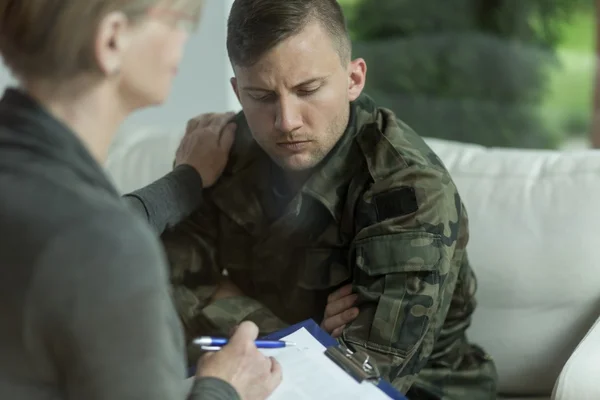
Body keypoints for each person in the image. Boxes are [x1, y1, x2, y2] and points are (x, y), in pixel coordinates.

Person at [154, 0, 499, 399]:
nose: (286, 121)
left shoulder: (408, 193)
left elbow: (356, 386)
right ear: (237, 91)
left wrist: (231, 299)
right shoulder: (222, 151)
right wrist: (309, 329)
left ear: (354, 79)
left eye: (308, 89)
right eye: (261, 96)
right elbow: (158, 287)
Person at [0, 1, 281, 399]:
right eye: (181, 22)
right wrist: (224, 387)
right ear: (112, 38)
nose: (184, 41)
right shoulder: (106, 247)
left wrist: (187, 180)